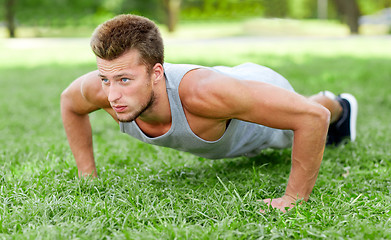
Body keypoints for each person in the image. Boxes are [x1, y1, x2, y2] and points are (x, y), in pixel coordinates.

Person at [60, 14, 358, 212]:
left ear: (156, 73)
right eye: (105, 79)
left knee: (307, 109)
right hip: (226, 89)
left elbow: (311, 117)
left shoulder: (205, 94)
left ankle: (340, 104)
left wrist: (293, 199)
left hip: (249, 87)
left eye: (125, 79)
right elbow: (70, 103)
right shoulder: (103, 88)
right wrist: (88, 176)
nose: (112, 95)